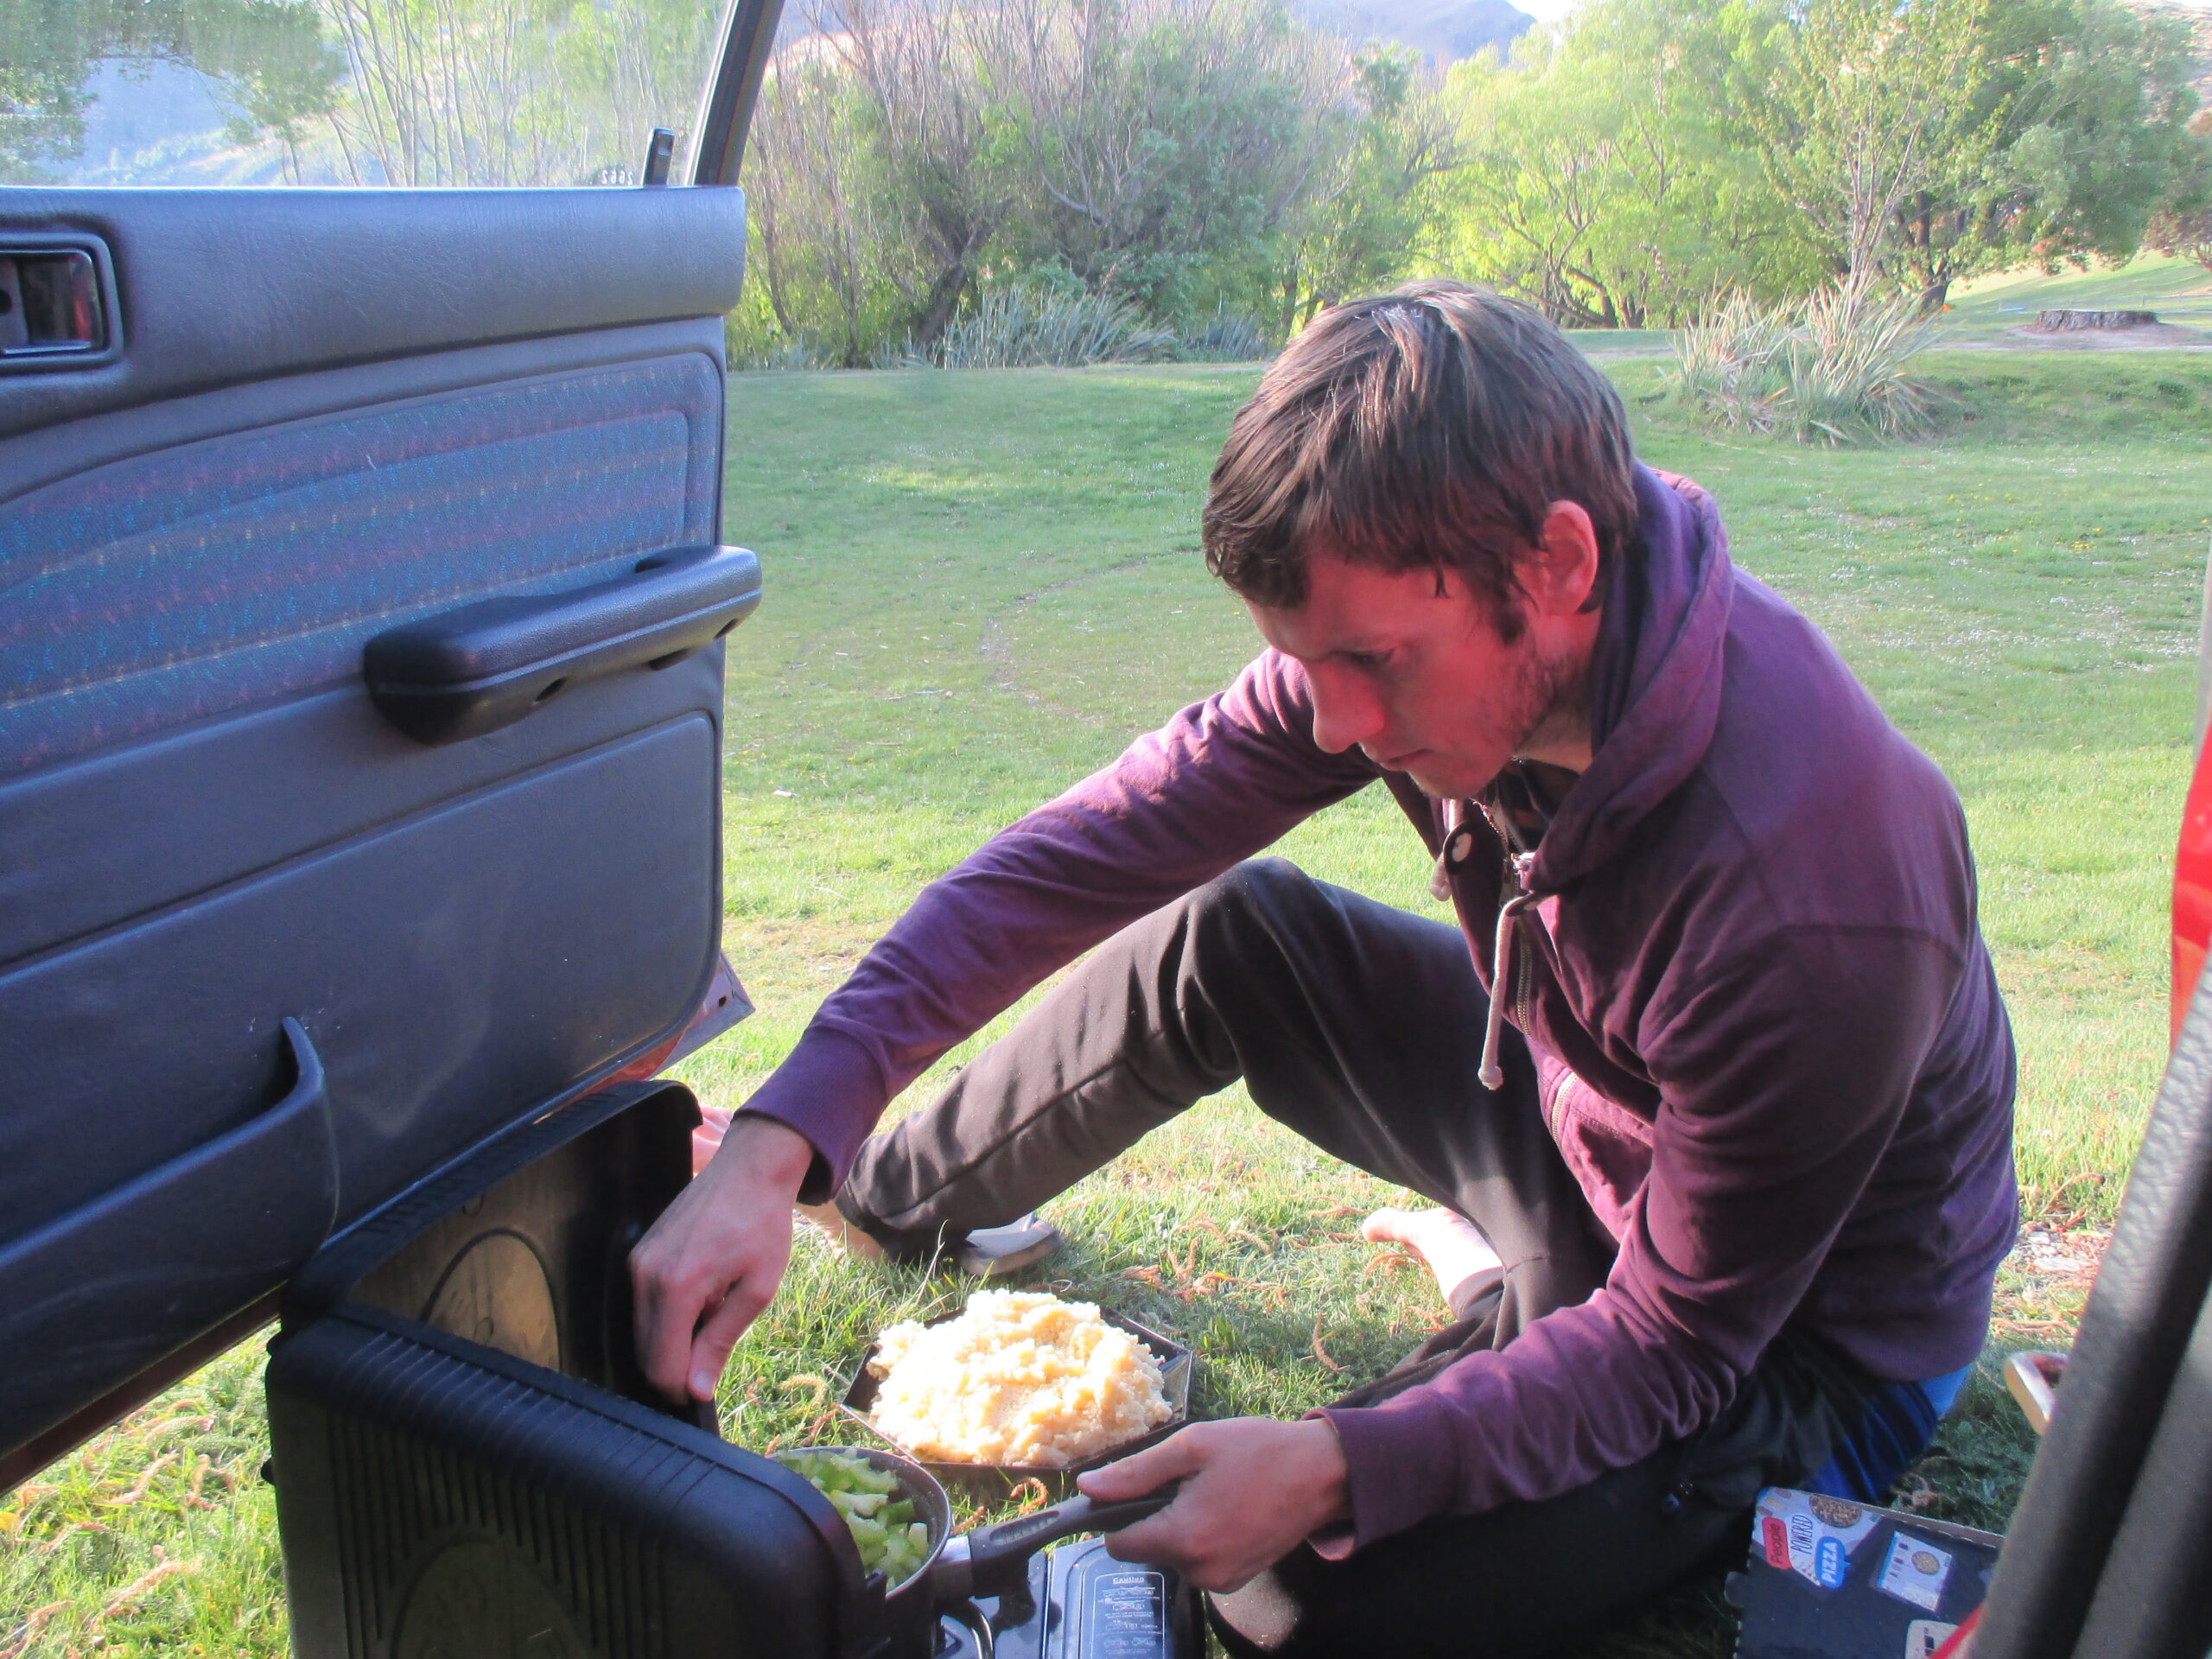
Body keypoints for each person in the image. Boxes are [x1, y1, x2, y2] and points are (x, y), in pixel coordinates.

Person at [630, 281, 2018, 1657]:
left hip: (1793, 1345)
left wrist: (1345, 1461)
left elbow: (1678, 1342)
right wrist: (787, 1133)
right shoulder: (1445, 586)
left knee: (1286, 1588)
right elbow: (1087, 850)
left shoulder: (1812, 900)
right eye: (1308, 665)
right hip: (1583, 1122)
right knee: (1238, 932)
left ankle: (1507, 1298)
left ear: (1561, 567)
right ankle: (887, 1196)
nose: (1339, 726)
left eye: (1371, 663)